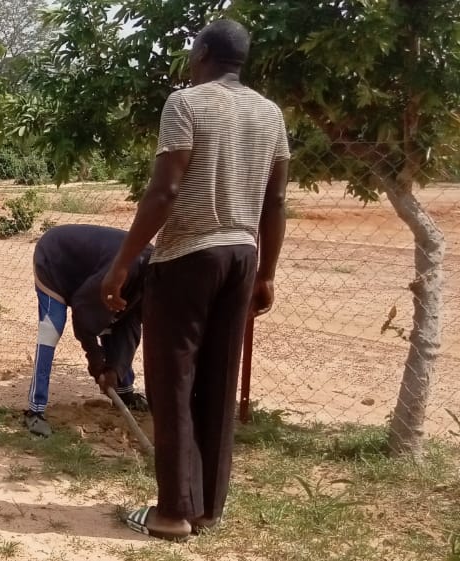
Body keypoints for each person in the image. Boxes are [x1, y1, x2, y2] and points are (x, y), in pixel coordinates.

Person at [100, 19, 289, 541]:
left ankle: (171, 513)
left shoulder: (185, 103)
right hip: (242, 256)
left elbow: (164, 190)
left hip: (186, 257)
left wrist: (122, 263)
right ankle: (206, 508)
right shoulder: (270, 114)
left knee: (173, 383)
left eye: (192, 49)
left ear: (202, 52)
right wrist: (267, 272)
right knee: (218, 380)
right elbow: (275, 201)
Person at [23, 224, 152, 438]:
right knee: (51, 330)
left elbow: (129, 328)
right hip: (55, 260)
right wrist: (95, 359)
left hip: (91, 276)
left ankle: (124, 391)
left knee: (119, 318)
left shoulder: (153, 280)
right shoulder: (128, 271)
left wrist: (113, 371)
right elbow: (84, 311)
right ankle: (35, 410)